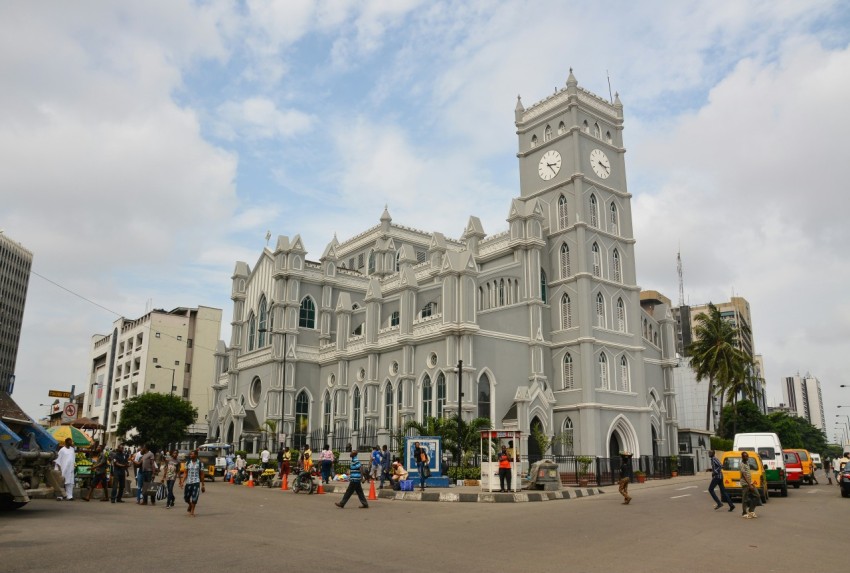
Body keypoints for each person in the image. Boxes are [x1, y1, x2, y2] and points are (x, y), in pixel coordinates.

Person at [179, 450, 205, 517]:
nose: (190, 455)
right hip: (188, 482)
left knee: (194, 497)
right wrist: (182, 481)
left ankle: (192, 512)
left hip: (196, 482)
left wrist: (203, 485)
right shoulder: (187, 463)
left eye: (192, 454)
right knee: (186, 498)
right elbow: (185, 473)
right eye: (190, 454)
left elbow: (202, 474)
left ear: (196, 455)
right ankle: (190, 504)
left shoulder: (200, 463)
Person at [739, 451, 758, 518]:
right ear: (742, 457)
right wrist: (749, 485)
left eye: (747, 456)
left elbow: (748, 474)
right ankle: (744, 513)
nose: (747, 457)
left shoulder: (747, 463)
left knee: (757, 495)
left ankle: (751, 510)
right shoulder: (742, 464)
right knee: (745, 499)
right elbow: (744, 475)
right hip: (745, 484)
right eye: (745, 456)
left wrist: (751, 483)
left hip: (750, 483)